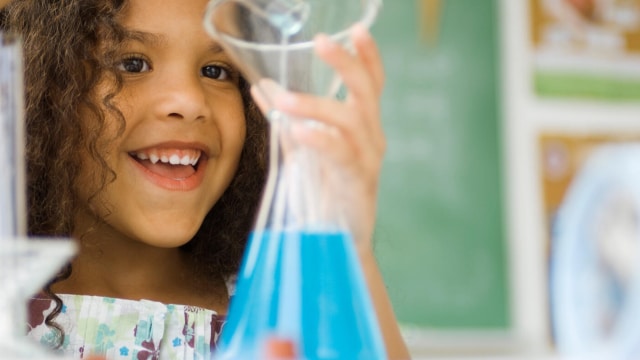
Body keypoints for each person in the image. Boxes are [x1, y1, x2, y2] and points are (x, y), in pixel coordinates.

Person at [1, 0, 410, 359]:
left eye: (216, 71)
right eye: (132, 64)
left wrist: (347, 248)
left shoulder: (282, 303)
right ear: (46, 92)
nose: (189, 102)